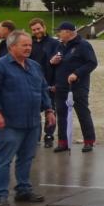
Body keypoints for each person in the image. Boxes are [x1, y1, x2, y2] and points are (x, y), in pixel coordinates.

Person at [0, 30, 55, 206]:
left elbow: (43, 88)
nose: (29, 48)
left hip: (32, 122)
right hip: (9, 123)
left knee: (26, 158)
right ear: (12, 46)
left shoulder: (34, 66)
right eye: (24, 45)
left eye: (30, 45)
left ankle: (23, 189)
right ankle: (1, 195)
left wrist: (49, 109)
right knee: (4, 160)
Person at [51, 21, 98, 153]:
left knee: (82, 113)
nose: (58, 34)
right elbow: (55, 63)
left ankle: (89, 141)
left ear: (68, 32)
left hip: (78, 86)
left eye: (60, 31)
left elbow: (92, 63)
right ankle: (63, 142)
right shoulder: (60, 45)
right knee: (61, 113)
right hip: (61, 85)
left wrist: (77, 73)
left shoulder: (83, 45)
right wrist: (52, 62)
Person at [28, 18, 61, 148]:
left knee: (50, 110)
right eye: (34, 30)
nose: (37, 31)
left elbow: (60, 64)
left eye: (38, 28)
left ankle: (49, 135)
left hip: (50, 82)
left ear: (44, 27)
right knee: (34, 111)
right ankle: (35, 137)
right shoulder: (29, 44)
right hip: (32, 83)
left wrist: (56, 83)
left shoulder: (54, 43)